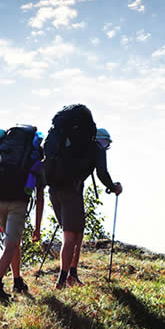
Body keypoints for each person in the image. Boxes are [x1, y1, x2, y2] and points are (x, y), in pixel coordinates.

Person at [48, 107, 122, 289]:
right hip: (71, 192)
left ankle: (72, 274)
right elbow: (102, 173)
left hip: (54, 190)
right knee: (70, 237)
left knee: (77, 234)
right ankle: (62, 280)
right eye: (107, 144)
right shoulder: (95, 147)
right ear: (102, 141)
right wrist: (114, 188)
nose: (106, 147)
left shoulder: (66, 144)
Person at [0, 127, 45, 299]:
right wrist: (37, 228)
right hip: (17, 203)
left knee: (14, 243)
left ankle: (17, 281)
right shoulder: (33, 154)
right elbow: (39, 196)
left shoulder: (4, 149)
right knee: (11, 245)